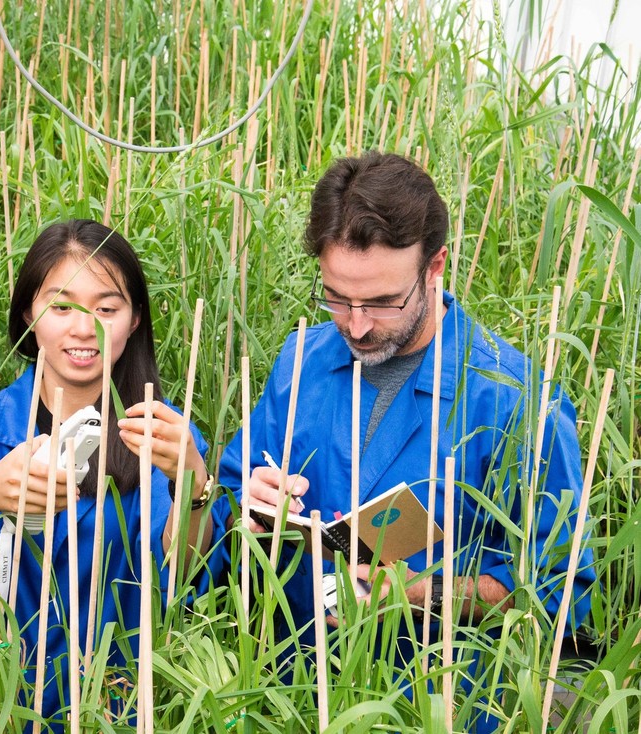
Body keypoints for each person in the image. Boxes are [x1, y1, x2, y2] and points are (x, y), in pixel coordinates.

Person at [218, 152, 594, 722]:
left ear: (435, 266)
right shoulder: (303, 361)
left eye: (383, 302)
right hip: (291, 690)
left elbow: (561, 589)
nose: (358, 325)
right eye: (337, 298)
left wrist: (416, 593)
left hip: (441, 704)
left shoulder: (513, 398)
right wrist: (248, 511)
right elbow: (229, 491)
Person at [0, 219, 223, 727]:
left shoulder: (163, 433)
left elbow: (183, 577)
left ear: (135, 318)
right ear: (29, 313)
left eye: (106, 307)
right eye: (61, 305)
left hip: (125, 702)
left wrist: (195, 486)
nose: (83, 328)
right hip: (0, 700)